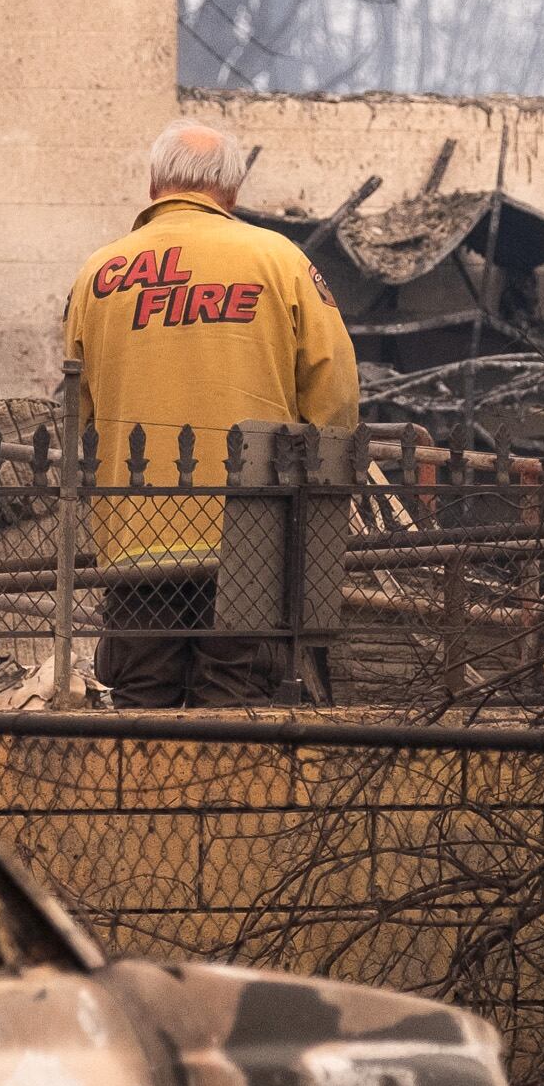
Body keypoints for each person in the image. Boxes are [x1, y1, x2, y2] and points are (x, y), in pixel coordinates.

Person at [61, 119, 359, 705]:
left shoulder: (98, 274)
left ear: (154, 185)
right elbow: (335, 397)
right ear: (232, 191)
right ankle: (220, 799)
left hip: (135, 527)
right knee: (235, 691)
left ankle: (142, 797)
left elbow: (79, 410)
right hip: (253, 533)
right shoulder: (281, 261)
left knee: (142, 693)